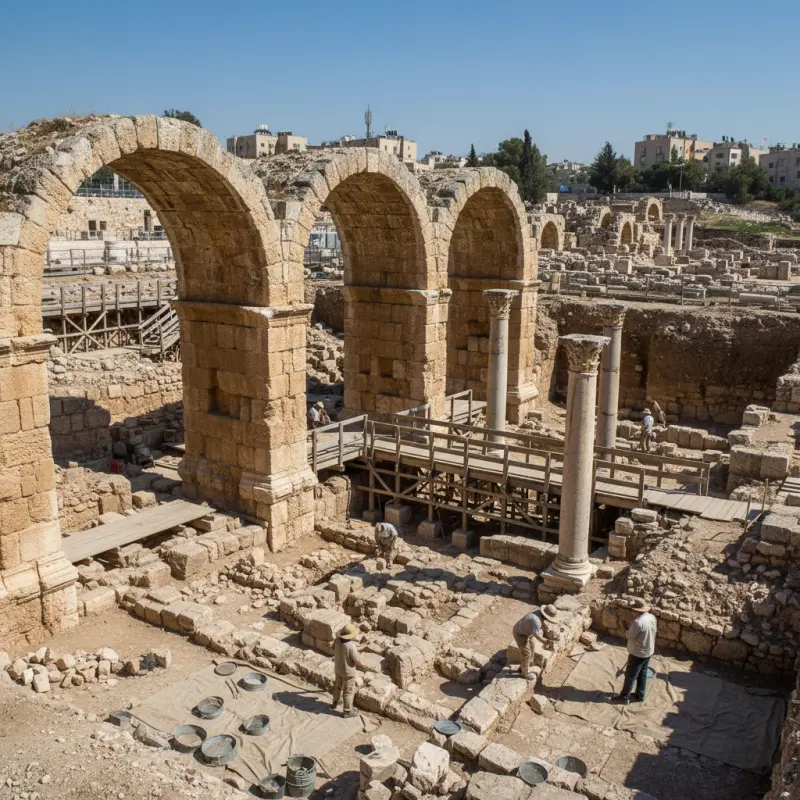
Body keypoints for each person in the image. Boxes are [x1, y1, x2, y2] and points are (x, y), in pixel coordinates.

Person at [614, 597, 657, 705]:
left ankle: (624, 697)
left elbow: (630, 635)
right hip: (648, 651)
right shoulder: (652, 617)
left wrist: (626, 628)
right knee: (642, 674)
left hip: (638, 653)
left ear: (636, 611)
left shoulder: (638, 622)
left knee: (630, 676)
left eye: (633, 611)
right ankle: (640, 695)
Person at [513, 604, 557, 678]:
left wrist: (544, 626)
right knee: (527, 653)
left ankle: (525, 665)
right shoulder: (536, 621)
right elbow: (536, 634)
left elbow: (540, 622)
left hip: (526, 631)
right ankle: (524, 673)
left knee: (532, 647)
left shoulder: (537, 611)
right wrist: (545, 641)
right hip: (520, 634)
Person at [331, 623, 360, 718]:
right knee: (348, 691)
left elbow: (332, 648)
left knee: (337, 687)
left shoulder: (337, 640)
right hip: (348, 673)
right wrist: (363, 666)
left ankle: (335, 702)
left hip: (338, 669)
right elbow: (356, 660)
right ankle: (347, 711)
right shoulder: (351, 646)